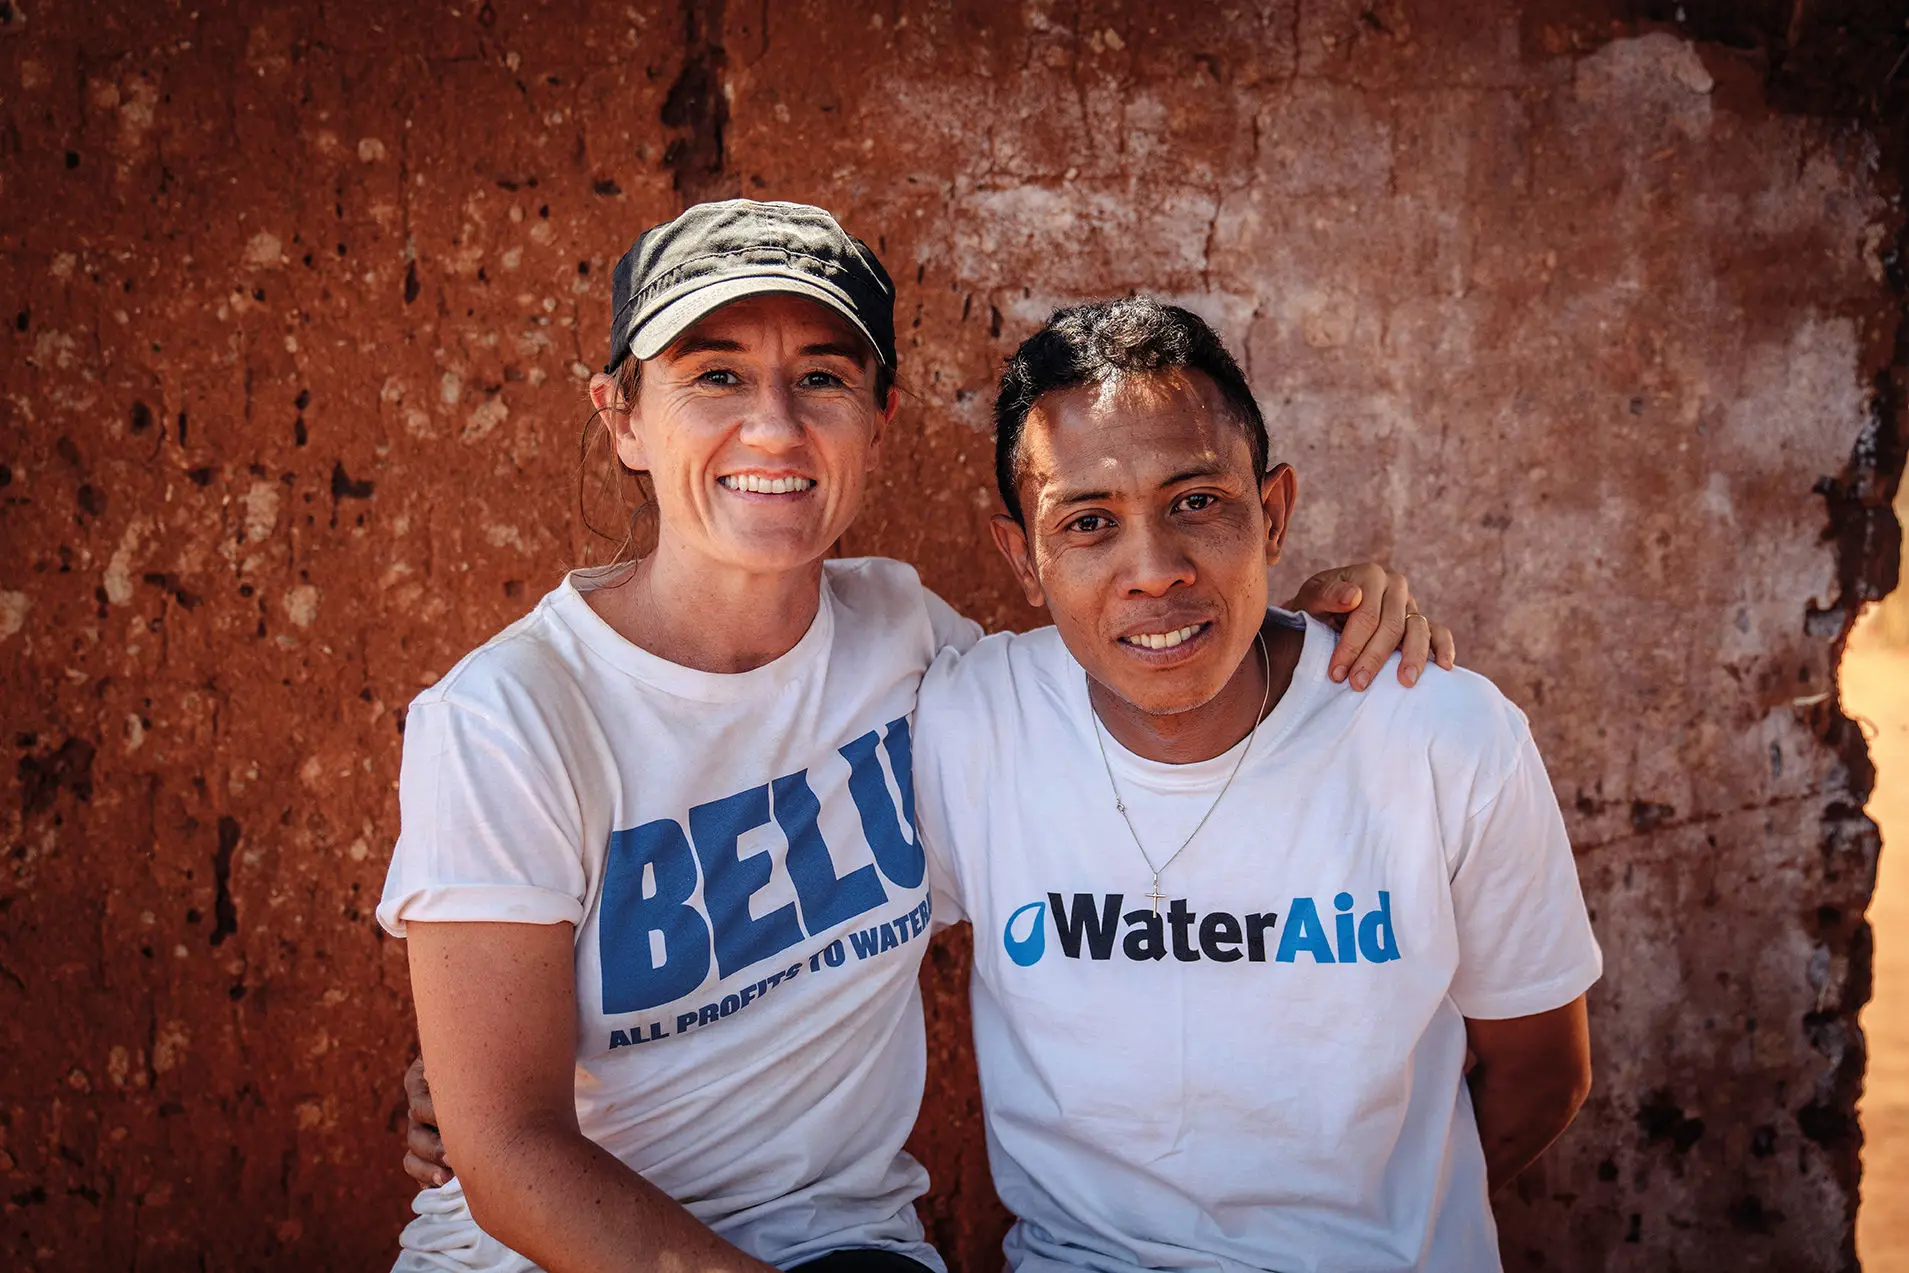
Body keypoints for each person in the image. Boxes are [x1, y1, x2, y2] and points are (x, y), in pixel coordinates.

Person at [378, 199, 1453, 1273]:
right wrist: (473, 1091)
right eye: (715, 376)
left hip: (840, 1240)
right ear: (621, 417)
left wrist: (1305, 625)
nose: (774, 426)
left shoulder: (910, 643)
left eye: (822, 377)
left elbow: (1144, 694)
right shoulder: (508, 719)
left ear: (878, 418)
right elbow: (508, 1151)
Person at [908, 297, 1601, 1272]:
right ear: (1024, 557)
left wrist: (1389, 1233)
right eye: (1089, 522)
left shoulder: (1439, 736)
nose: (1154, 572)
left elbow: (1542, 1071)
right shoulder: (967, 729)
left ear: (1271, 514)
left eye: (1195, 502)